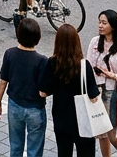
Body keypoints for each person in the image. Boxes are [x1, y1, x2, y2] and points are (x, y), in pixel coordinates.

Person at [39, 24, 100, 157]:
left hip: (61, 119)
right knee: (86, 153)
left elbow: (43, 92)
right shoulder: (84, 65)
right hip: (83, 121)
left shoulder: (52, 63)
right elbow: (94, 97)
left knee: (64, 153)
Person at [0, 17, 48, 157]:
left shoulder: (10, 54)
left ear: (18, 35)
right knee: (34, 150)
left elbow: (3, 81)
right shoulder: (42, 60)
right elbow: (43, 92)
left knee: (15, 146)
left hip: (14, 106)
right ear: (38, 37)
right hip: (35, 109)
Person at [86, 10, 117, 157]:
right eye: (99, 22)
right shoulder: (95, 42)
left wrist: (111, 75)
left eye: (104, 23)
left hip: (112, 93)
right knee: (101, 134)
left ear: (113, 26)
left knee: (111, 135)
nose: (100, 25)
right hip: (96, 91)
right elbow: (88, 65)